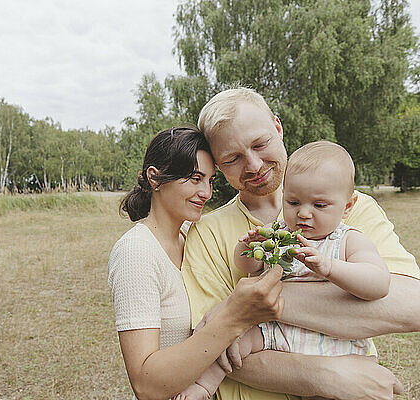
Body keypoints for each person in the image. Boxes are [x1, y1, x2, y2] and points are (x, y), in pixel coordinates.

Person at [182, 87, 420, 400]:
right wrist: (328, 375)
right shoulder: (207, 233)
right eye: (233, 157)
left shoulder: (350, 207)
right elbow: (210, 345)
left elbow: (411, 305)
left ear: (278, 128)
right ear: (218, 165)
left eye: (260, 143)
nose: (253, 165)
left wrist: (246, 307)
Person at [107, 127, 285, 400]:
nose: (206, 192)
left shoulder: (190, 236)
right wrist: (235, 317)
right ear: (155, 178)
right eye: (194, 178)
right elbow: (145, 383)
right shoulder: (136, 252)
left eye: (210, 180)